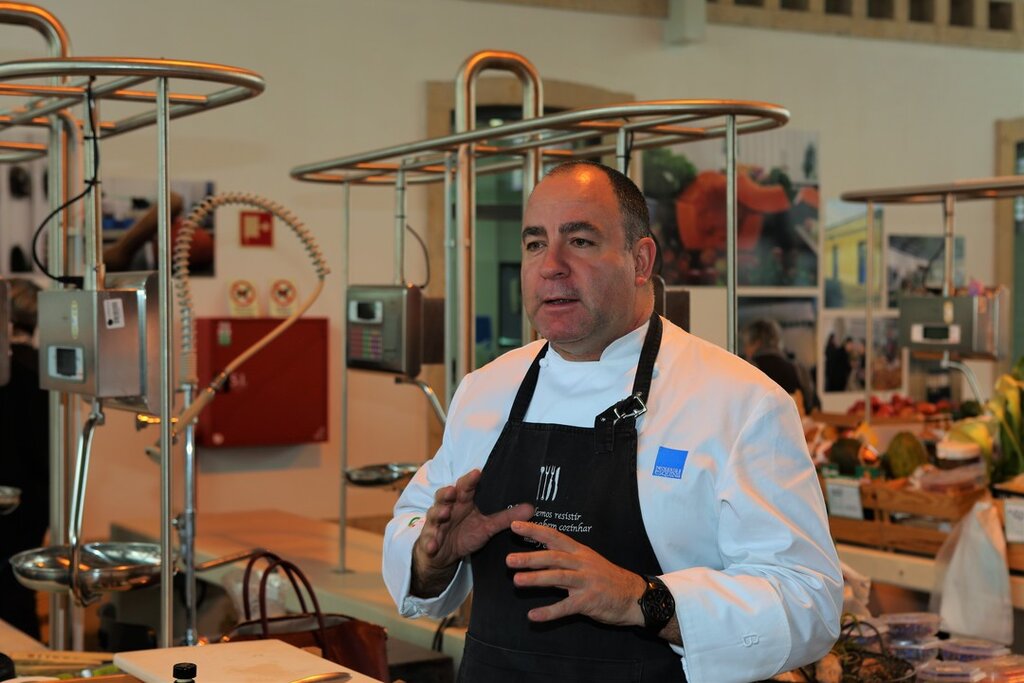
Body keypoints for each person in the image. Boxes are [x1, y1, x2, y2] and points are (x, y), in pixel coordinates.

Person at [382, 160, 842, 683]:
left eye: (579, 241)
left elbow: (810, 602)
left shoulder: (739, 402)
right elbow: (414, 532)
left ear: (640, 260)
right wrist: (432, 557)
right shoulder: (485, 390)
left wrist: (643, 600)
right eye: (535, 243)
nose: (551, 265)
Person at [0, 278, 49, 638]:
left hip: (16, 503)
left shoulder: (20, 375)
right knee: (19, 593)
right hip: (32, 502)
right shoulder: (45, 372)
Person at [744, 318, 819, 415]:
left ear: (757, 343)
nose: (745, 350)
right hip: (795, 428)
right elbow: (813, 406)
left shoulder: (749, 369)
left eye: (746, 345)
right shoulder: (799, 369)